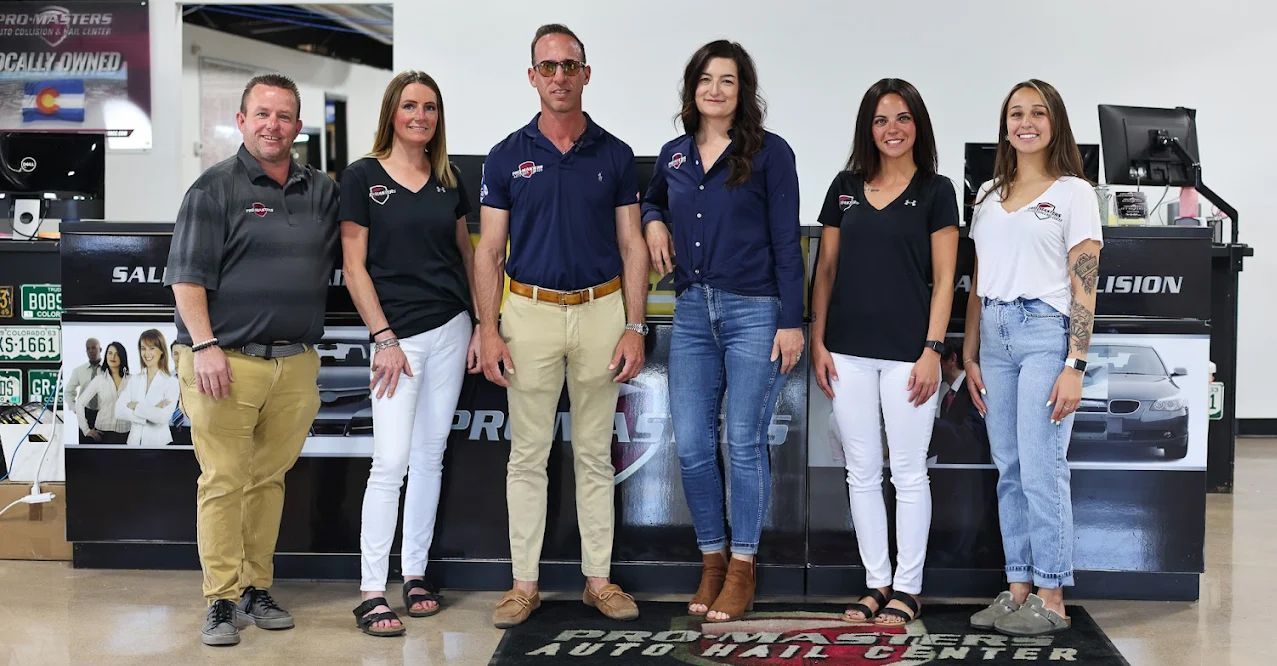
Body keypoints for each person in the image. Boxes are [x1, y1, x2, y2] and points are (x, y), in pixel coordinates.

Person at [475, 23, 648, 629]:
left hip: (602, 314)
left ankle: (597, 581)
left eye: (569, 66)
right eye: (547, 67)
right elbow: (489, 251)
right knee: (528, 457)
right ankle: (524, 585)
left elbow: (633, 248)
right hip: (528, 314)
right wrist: (488, 329)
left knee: (596, 456)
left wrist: (635, 326)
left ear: (586, 74)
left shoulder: (616, 154)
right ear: (532, 76)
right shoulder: (506, 155)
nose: (559, 76)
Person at [164, 73, 339, 647]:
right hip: (224, 362)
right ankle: (219, 600)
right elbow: (186, 279)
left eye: (284, 116)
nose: (273, 125)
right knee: (222, 481)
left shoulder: (322, 191)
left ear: (299, 125)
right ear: (241, 121)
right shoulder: (212, 189)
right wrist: (206, 345)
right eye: (262, 114)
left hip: (296, 365)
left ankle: (255, 588)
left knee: (268, 481)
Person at [641, 40, 802, 623]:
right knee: (689, 445)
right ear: (692, 89)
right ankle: (711, 560)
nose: (715, 89)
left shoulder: (770, 154)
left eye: (727, 81)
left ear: (743, 92)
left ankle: (742, 566)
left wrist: (791, 321)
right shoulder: (674, 155)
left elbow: (787, 242)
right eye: (705, 79)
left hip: (754, 312)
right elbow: (651, 198)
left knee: (743, 442)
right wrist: (654, 220)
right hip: (690, 313)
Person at [810, 78, 958, 626]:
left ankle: (908, 588)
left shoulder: (937, 190)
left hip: (908, 356)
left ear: (917, 125)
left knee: (910, 473)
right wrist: (820, 341)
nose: (891, 130)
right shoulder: (844, 186)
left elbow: (945, 282)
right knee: (862, 473)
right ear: (866, 129)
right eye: (880, 120)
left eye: (901, 118)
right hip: (846, 352)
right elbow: (824, 272)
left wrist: (931, 350)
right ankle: (876, 582)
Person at [340, 70, 480, 637]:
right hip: (397, 340)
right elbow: (354, 267)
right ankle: (372, 589)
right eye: (409, 106)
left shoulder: (449, 178)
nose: (420, 116)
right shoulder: (361, 177)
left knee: (429, 458)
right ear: (391, 114)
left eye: (430, 107)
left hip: (451, 330)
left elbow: (467, 257)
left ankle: (414, 574)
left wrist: (482, 324)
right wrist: (383, 338)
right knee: (391, 461)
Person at [964, 79, 1102, 637]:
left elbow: (1085, 282)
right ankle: (1018, 587)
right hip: (994, 337)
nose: (1026, 122)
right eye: (1016, 113)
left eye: (1038, 113)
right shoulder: (987, 195)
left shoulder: (1073, 193)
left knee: (1042, 469)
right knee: (1010, 468)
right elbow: (977, 284)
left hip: (1046, 333)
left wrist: (1077, 364)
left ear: (1055, 123)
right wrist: (969, 353)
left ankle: (1052, 596)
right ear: (1005, 125)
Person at [930, 340, 991, 465]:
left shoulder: (975, 388)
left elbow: (971, 435)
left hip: (972, 477)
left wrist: (926, 422)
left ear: (952, 358)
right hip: (950, 475)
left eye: (937, 359)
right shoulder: (948, 396)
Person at [116, 329, 180, 447]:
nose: (147, 353)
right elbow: (119, 411)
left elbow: (162, 417)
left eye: (152, 348)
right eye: (143, 348)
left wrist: (135, 406)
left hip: (159, 445)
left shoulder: (172, 383)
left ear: (161, 351)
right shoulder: (133, 380)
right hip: (133, 444)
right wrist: (150, 413)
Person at [75, 341, 131, 444]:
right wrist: (86, 430)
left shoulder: (131, 380)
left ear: (122, 356)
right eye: (110, 353)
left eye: (117, 353)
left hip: (126, 434)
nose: (113, 357)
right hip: (103, 434)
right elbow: (80, 403)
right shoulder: (99, 380)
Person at [65, 338, 102, 425]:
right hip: (85, 415)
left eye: (93, 348)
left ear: (100, 349)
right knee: (86, 438)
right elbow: (68, 392)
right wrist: (75, 408)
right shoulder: (79, 371)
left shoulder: (109, 370)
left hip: (105, 414)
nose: (91, 351)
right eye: (88, 348)